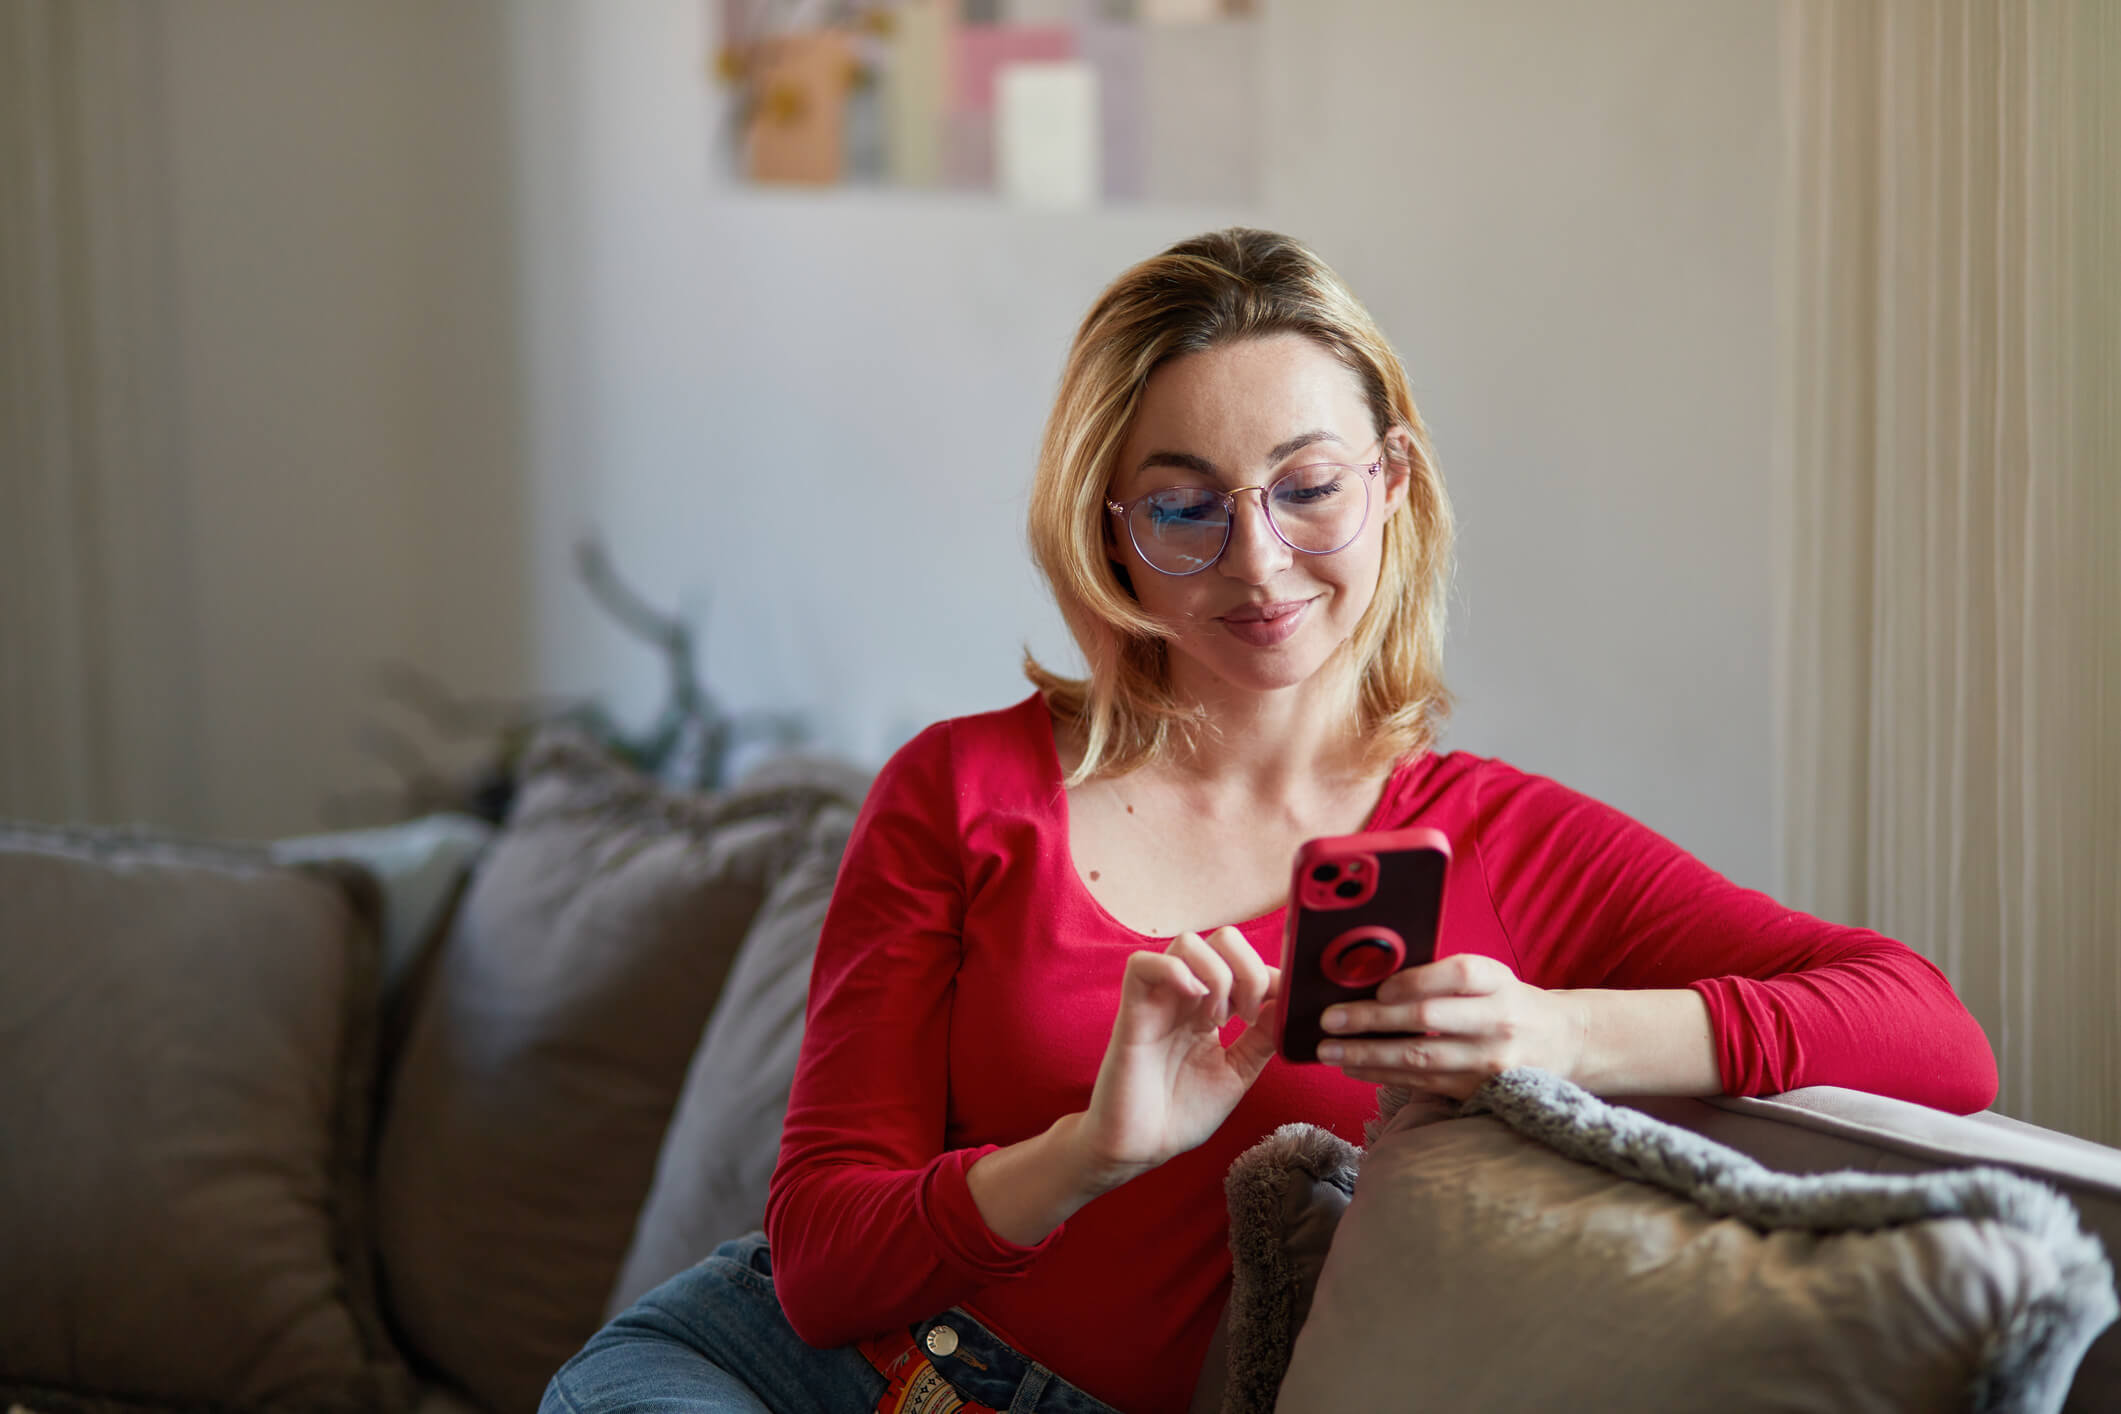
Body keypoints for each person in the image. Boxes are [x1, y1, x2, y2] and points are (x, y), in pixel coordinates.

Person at [541, 229, 1998, 1414]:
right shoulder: (961, 788)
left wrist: (1553, 1034)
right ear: (1109, 532)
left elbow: (1931, 1032)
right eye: (1185, 509)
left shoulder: (1504, 841)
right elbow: (816, 1268)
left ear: (1391, 485)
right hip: (774, 1372)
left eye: (1307, 488)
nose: (1259, 563)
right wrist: (1089, 1150)